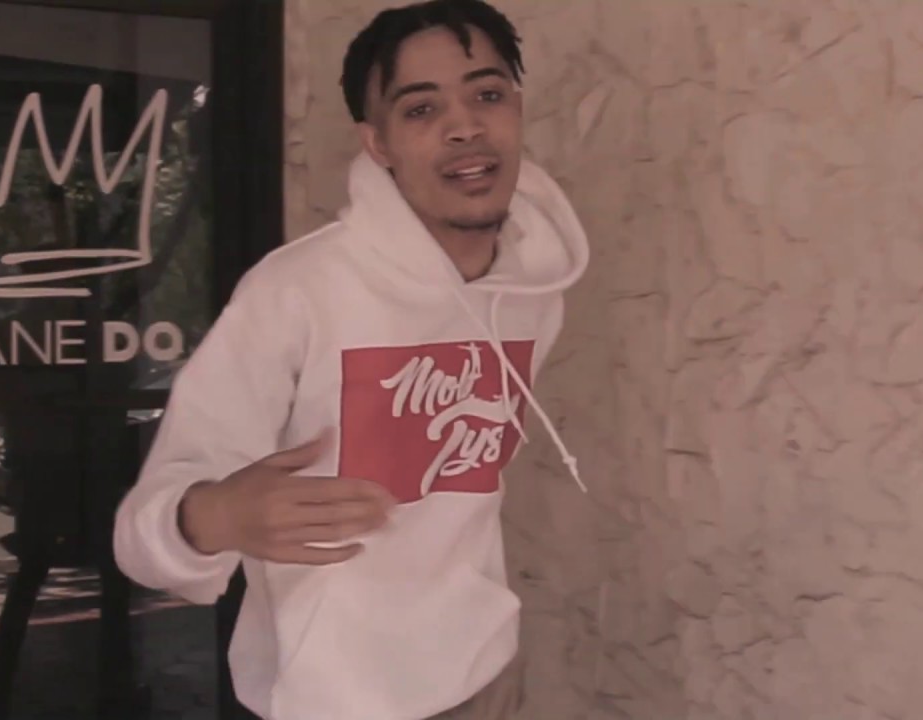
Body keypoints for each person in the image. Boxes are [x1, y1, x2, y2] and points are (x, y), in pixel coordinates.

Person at [112, 1, 588, 718]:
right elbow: (139, 536)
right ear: (378, 143)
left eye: (488, 94)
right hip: (330, 699)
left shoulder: (533, 290)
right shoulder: (296, 291)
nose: (465, 126)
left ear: (517, 110)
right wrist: (216, 516)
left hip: (484, 675)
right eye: (421, 108)